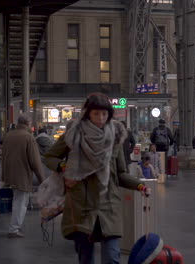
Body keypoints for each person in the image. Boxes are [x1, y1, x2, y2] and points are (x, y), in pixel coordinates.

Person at [44, 93, 151, 263]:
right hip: (81, 206)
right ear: (87, 113)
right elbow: (49, 157)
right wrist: (65, 167)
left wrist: (140, 186)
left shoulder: (115, 138)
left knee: (112, 257)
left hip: (108, 205)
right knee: (86, 258)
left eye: (104, 114)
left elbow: (120, 173)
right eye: (96, 114)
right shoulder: (73, 134)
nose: (100, 118)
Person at [2, 115, 45, 238]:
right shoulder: (28, 137)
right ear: (28, 123)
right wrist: (42, 179)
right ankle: (14, 229)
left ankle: (13, 227)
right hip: (22, 174)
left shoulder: (9, 135)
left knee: (17, 200)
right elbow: (35, 161)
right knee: (20, 202)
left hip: (9, 173)